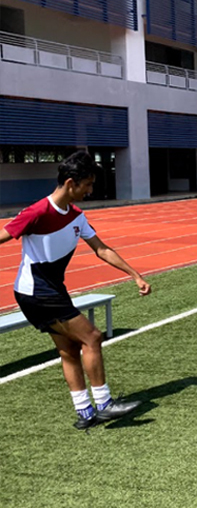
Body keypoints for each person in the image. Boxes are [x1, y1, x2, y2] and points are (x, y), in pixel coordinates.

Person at [0, 151, 152, 429]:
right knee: (92, 336)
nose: (90, 191)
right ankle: (104, 404)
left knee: (69, 349)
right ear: (71, 183)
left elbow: (102, 249)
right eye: (88, 184)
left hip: (52, 291)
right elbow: (3, 235)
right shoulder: (37, 212)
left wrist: (135, 275)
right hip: (36, 292)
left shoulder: (77, 217)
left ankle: (85, 412)